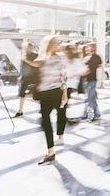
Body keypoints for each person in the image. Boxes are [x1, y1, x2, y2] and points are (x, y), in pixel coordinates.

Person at [31, 35, 68, 165]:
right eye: (53, 42)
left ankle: (56, 142)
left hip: (55, 91)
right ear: (47, 44)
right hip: (44, 92)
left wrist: (65, 93)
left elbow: (64, 76)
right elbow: (36, 75)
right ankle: (50, 151)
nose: (56, 44)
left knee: (52, 117)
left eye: (56, 42)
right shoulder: (41, 58)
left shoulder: (61, 57)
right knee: (45, 121)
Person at [15, 41, 39, 117]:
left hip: (34, 78)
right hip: (25, 78)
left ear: (31, 48)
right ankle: (20, 111)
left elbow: (37, 65)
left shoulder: (35, 56)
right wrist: (21, 76)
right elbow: (23, 67)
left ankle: (43, 106)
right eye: (24, 48)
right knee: (22, 94)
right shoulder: (24, 56)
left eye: (27, 47)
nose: (25, 49)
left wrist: (27, 61)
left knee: (35, 96)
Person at [81, 42, 103, 121]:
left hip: (92, 80)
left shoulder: (97, 57)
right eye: (89, 46)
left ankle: (95, 114)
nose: (90, 48)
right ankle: (91, 114)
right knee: (89, 98)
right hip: (85, 81)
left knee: (90, 98)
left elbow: (101, 68)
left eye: (92, 46)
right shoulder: (87, 57)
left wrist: (102, 80)